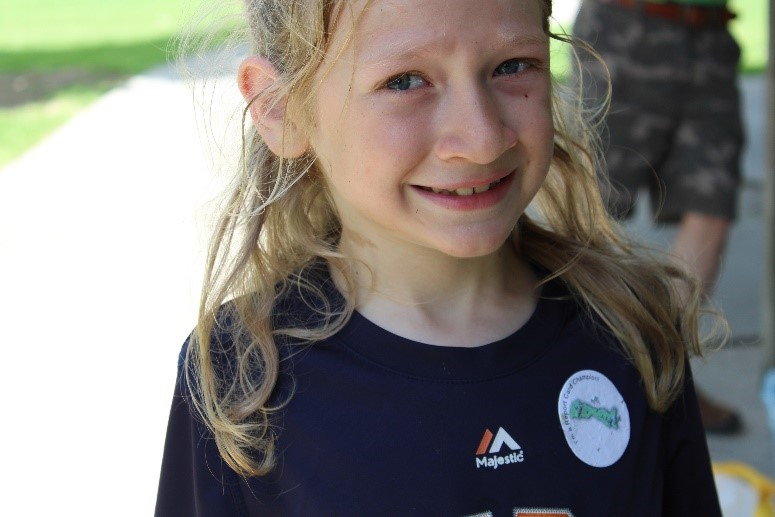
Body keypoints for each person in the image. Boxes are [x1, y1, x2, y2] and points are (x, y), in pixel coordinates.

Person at [155, 0, 724, 514]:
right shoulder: (241, 376)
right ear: (281, 108)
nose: (481, 139)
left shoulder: (633, 329)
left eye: (512, 65)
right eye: (405, 80)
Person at [572, 0, 745, 434]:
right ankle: (577, 381)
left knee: (713, 206)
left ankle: (663, 377)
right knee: (584, 211)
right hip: (626, 27)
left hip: (708, 35)